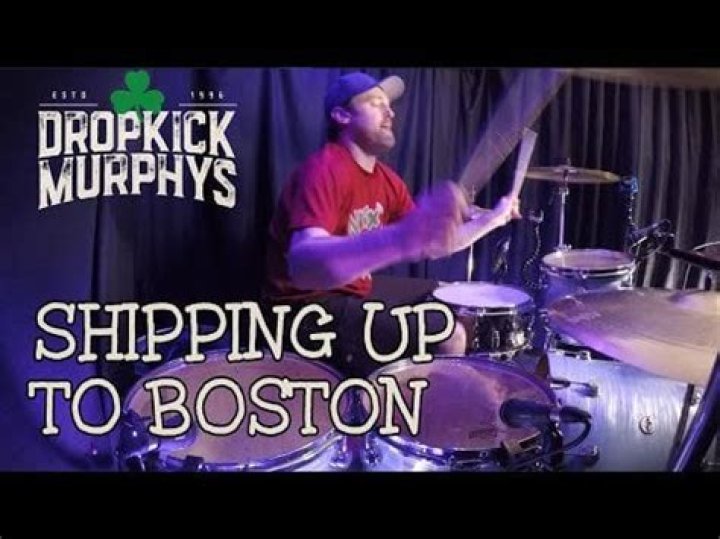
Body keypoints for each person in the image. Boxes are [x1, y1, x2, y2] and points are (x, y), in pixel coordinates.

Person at [263, 71, 521, 377]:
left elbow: (435, 245)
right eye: (375, 103)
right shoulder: (324, 169)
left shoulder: (388, 181)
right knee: (448, 333)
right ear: (342, 115)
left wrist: (493, 218)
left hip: (353, 292)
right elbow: (304, 265)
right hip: (303, 308)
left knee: (448, 296)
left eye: (389, 104)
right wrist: (403, 237)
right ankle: (423, 406)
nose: (390, 112)